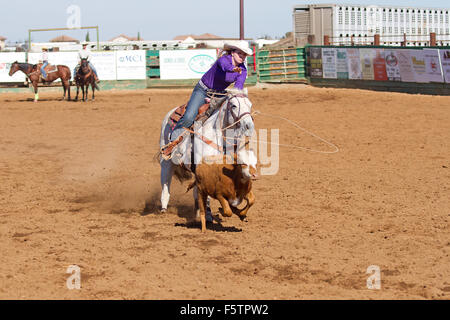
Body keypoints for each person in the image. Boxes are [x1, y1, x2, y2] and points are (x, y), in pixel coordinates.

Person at [162, 41, 253, 156]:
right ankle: (173, 141)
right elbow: (226, 67)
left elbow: (237, 88)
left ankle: (228, 145)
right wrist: (234, 70)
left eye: (244, 54)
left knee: (229, 115)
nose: (242, 56)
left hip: (220, 93)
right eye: (240, 53)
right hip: (203, 90)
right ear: (233, 53)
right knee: (189, 116)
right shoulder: (224, 59)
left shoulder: (243, 71)